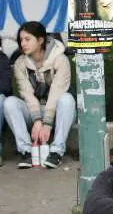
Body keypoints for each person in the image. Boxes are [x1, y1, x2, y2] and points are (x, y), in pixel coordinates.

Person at [4, 21, 76, 168]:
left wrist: (47, 123)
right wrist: (37, 120)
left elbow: (57, 92)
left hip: (58, 112)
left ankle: (56, 152)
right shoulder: (20, 63)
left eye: (27, 39)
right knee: (9, 102)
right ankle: (27, 152)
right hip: (34, 110)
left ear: (40, 40)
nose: (23, 43)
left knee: (67, 99)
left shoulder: (60, 59)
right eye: (21, 40)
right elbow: (27, 94)